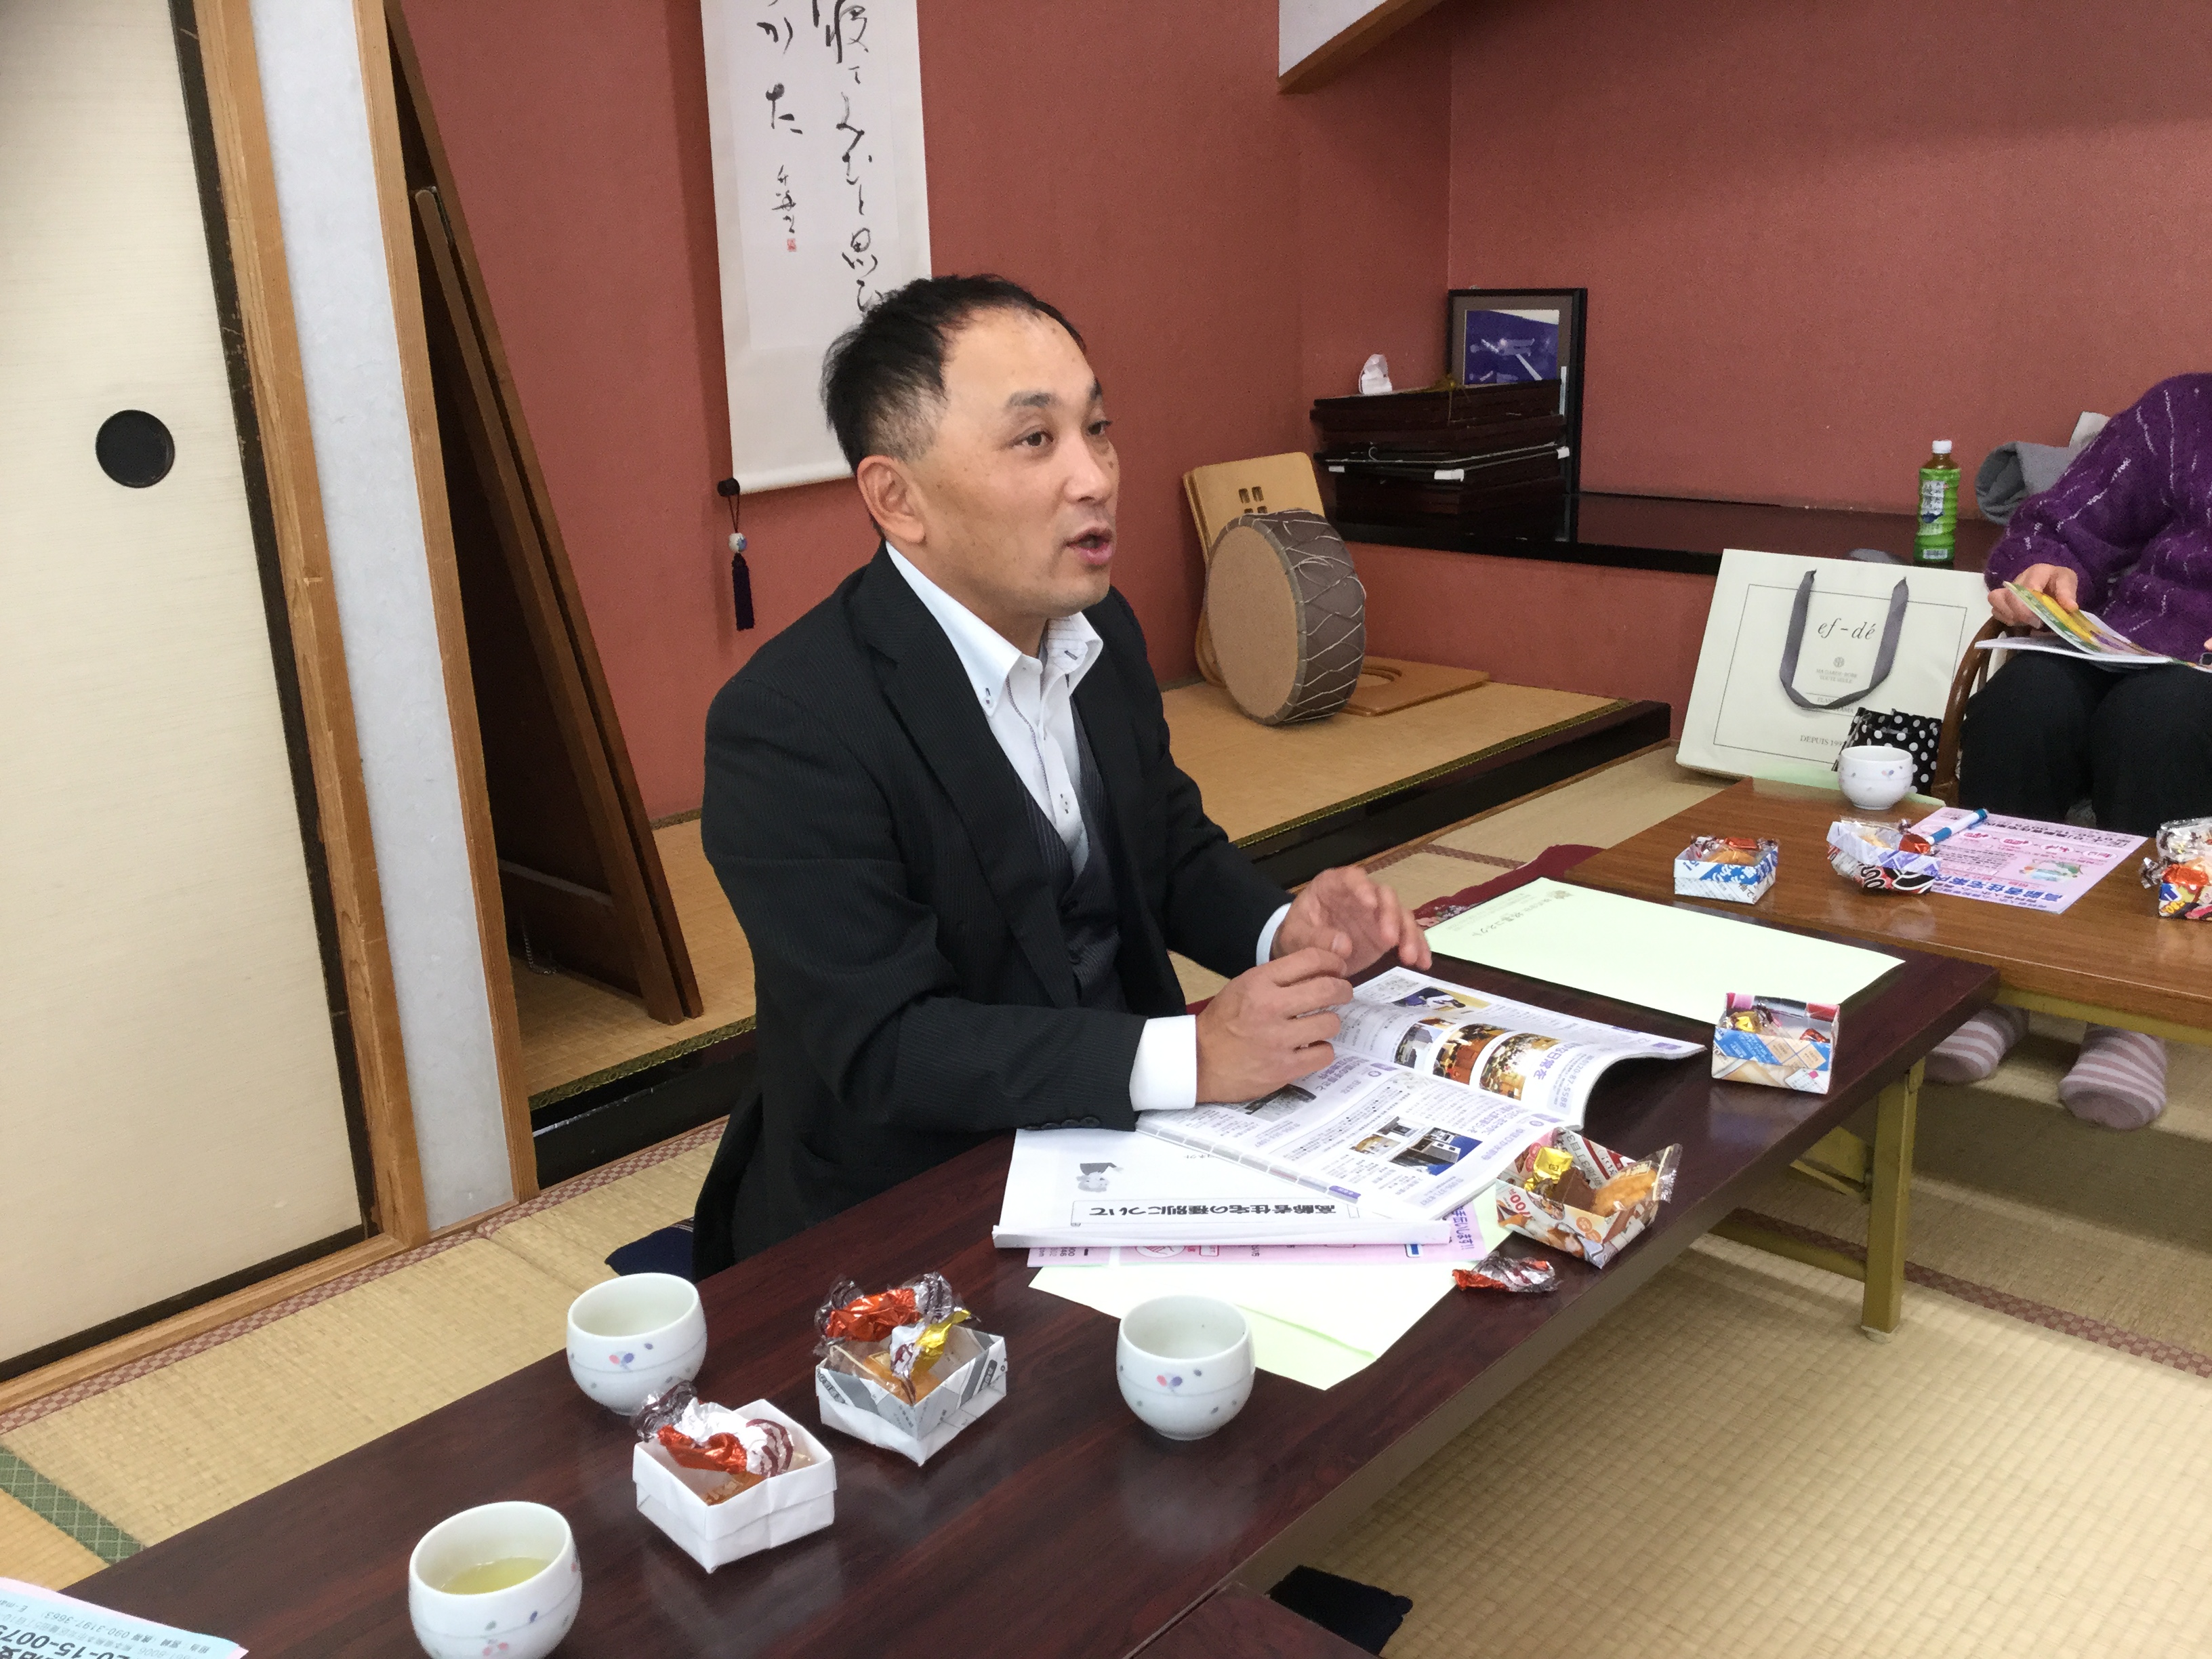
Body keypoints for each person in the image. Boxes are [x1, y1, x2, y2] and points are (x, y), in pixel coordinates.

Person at [690, 275, 1431, 1271]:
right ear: (897, 499)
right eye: (1035, 439)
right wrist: (1192, 1055)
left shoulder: (1097, 628)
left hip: (1123, 1136)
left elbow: (1163, 847)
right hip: (910, 1196)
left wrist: (1281, 928)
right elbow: (888, 1046)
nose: (1094, 478)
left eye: (1098, 429)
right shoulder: (788, 725)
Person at [1934, 374, 2212, 1128]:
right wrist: (2043, 569)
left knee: (2158, 724)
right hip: (2126, 639)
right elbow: (2066, 522)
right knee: (2019, 706)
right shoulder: (2183, 410)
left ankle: (2133, 1010)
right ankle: (1990, 976)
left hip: (2194, 688)